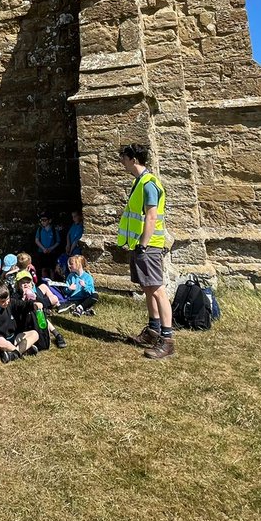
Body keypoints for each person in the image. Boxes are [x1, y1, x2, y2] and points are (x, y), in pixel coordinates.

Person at [116, 142, 174, 359]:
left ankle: (167, 340)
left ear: (133, 159)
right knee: (148, 288)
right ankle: (153, 331)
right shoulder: (139, 182)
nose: (122, 162)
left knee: (157, 289)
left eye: (124, 158)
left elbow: (151, 216)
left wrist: (143, 244)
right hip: (141, 245)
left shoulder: (149, 184)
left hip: (149, 245)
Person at [34, 213, 61, 278]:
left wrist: (51, 249)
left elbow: (58, 241)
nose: (42, 222)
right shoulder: (40, 229)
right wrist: (43, 249)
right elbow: (37, 240)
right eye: (41, 220)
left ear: (49, 220)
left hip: (52, 252)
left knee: (52, 269)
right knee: (43, 269)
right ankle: (44, 282)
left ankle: (52, 282)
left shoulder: (54, 230)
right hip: (42, 252)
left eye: (44, 220)